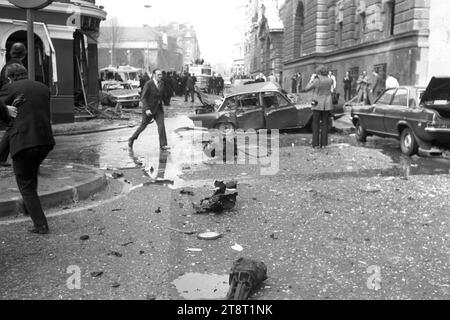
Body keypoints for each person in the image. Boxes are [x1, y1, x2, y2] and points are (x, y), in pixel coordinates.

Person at [0, 63, 55, 234]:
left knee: (26, 185)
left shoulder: (8, 88)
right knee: (30, 174)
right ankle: (29, 205)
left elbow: (3, 113)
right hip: (45, 141)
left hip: (23, 142)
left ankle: (41, 225)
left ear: (9, 77)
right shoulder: (43, 88)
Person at [128, 69, 170, 151]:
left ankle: (163, 145)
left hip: (158, 109)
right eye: (158, 75)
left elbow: (161, 95)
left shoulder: (161, 83)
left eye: (161, 75)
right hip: (149, 109)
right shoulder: (148, 84)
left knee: (161, 126)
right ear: (154, 75)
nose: (160, 76)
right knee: (143, 126)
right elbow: (143, 98)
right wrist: (147, 109)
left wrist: (167, 102)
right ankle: (132, 138)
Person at [0, 43, 27, 167]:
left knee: (12, 129)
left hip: (8, 99)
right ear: (24, 54)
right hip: (13, 101)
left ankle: (2, 158)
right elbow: (13, 85)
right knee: (15, 128)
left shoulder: (6, 64)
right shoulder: (17, 66)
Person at [302, 66, 333, 149]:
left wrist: (311, 79)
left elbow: (307, 88)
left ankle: (315, 144)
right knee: (325, 124)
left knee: (315, 123)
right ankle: (324, 144)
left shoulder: (317, 80)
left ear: (319, 71)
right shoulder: (330, 80)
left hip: (318, 103)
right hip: (327, 104)